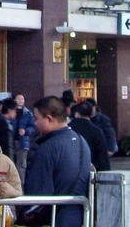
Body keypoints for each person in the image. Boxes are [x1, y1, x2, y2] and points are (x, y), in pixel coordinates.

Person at [24, 96, 91, 227]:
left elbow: (37, 195)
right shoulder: (81, 141)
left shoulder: (48, 147)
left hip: (55, 218)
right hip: (80, 216)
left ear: (49, 119)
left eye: (37, 118)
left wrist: (26, 214)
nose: (35, 123)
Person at [70, 101, 110, 171]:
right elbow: (103, 157)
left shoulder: (68, 129)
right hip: (91, 171)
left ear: (76, 114)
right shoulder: (97, 131)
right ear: (91, 114)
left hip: (71, 170)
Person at [13, 93, 36, 185]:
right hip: (12, 141)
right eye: (18, 99)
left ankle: (20, 185)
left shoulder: (28, 113)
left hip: (23, 142)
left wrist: (26, 131)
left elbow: (32, 127)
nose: (20, 101)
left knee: (21, 165)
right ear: (15, 100)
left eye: (22, 99)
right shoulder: (11, 111)